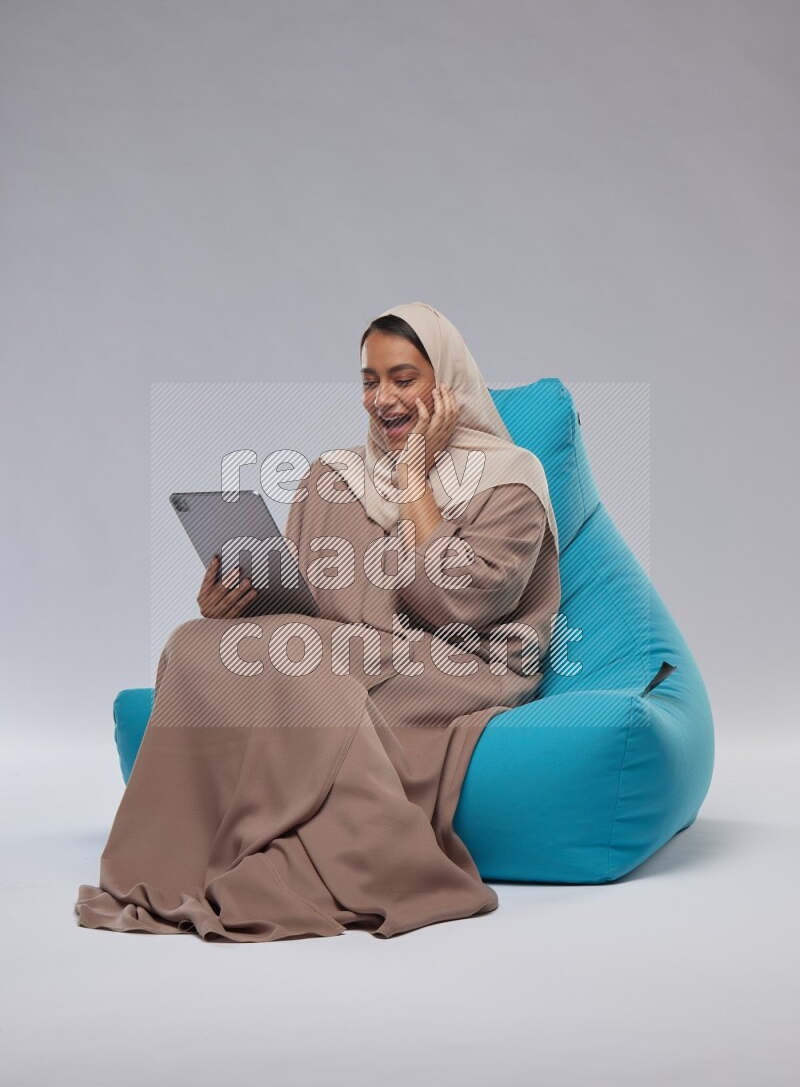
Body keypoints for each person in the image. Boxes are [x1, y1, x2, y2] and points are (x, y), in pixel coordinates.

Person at [74, 301, 562, 941]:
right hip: (341, 652)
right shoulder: (334, 477)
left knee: (307, 672)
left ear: (446, 385)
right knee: (197, 643)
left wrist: (416, 481)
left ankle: (334, 858)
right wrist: (235, 609)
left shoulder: (509, 479)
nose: (382, 399)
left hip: (458, 662)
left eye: (403, 379)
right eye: (369, 380)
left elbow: (460, 605)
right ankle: (176, 849)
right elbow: (304, 610)